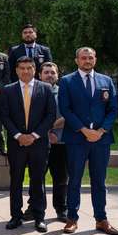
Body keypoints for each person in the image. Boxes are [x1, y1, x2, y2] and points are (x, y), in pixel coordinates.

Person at [58, 47, 118, 235]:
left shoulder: (106, 80)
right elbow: (65, 109)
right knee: (74, 179)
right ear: (77, 60)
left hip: (101, 139)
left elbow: (113, 109)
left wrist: (100, 131)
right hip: (77, 137)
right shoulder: (67, 81)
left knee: (99, 181)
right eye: (83, 58)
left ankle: (101, 219)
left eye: (90, 57)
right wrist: (84, 130)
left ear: (95, 59)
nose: (87, 60)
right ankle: (72, 218)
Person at [0, 57, 56, 232]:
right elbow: (4, 116)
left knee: (37, 181)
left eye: (29, 68)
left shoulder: (45, 89)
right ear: (16, 70)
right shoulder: (8, 90)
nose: (25, 71)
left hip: (38, 143)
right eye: (22, 68)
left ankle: (39, 217)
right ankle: (15, 216)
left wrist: (34, 135)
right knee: (16, 180)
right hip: (16, 144)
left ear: (34, 69)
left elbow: (50, 115)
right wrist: (18, 135)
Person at [40, 62, 68, 221]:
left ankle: (61, 209)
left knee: (61, 179)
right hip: (39, 143)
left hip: (60, 142)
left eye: (52, 72)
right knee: (38, 178)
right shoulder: (35, 92)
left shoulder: (65, 93)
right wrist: (46, 132)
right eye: (46, 72)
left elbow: (69, 114)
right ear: (40, 75)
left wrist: (50, 129)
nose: (49, 75)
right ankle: (37, 209)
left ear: (57, 75)